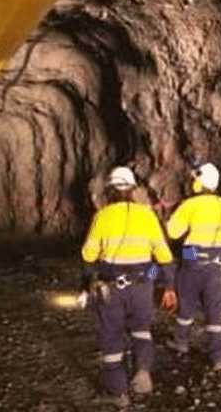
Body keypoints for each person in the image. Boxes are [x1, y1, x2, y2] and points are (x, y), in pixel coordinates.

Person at [81, 166, 177, 407]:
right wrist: (168, 286)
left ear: (111, 190)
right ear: (133, 190)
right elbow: (164, 256)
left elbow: (89, 256)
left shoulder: (102, 216)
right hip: (144, 283)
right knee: (141, 329)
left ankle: (119, 393)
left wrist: (85, 284)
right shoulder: (147, 215)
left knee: (112, 337)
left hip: (111, 287)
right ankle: (143, 374)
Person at [165, 162, 221, 372]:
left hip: (194, 256)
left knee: (186, 299)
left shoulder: (190, 205)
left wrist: (170, 216)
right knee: (213, 310)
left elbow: (172, 233)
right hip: (219, 261)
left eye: (195, 180)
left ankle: (181, 342)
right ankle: (218, 358)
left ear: (200, 182)